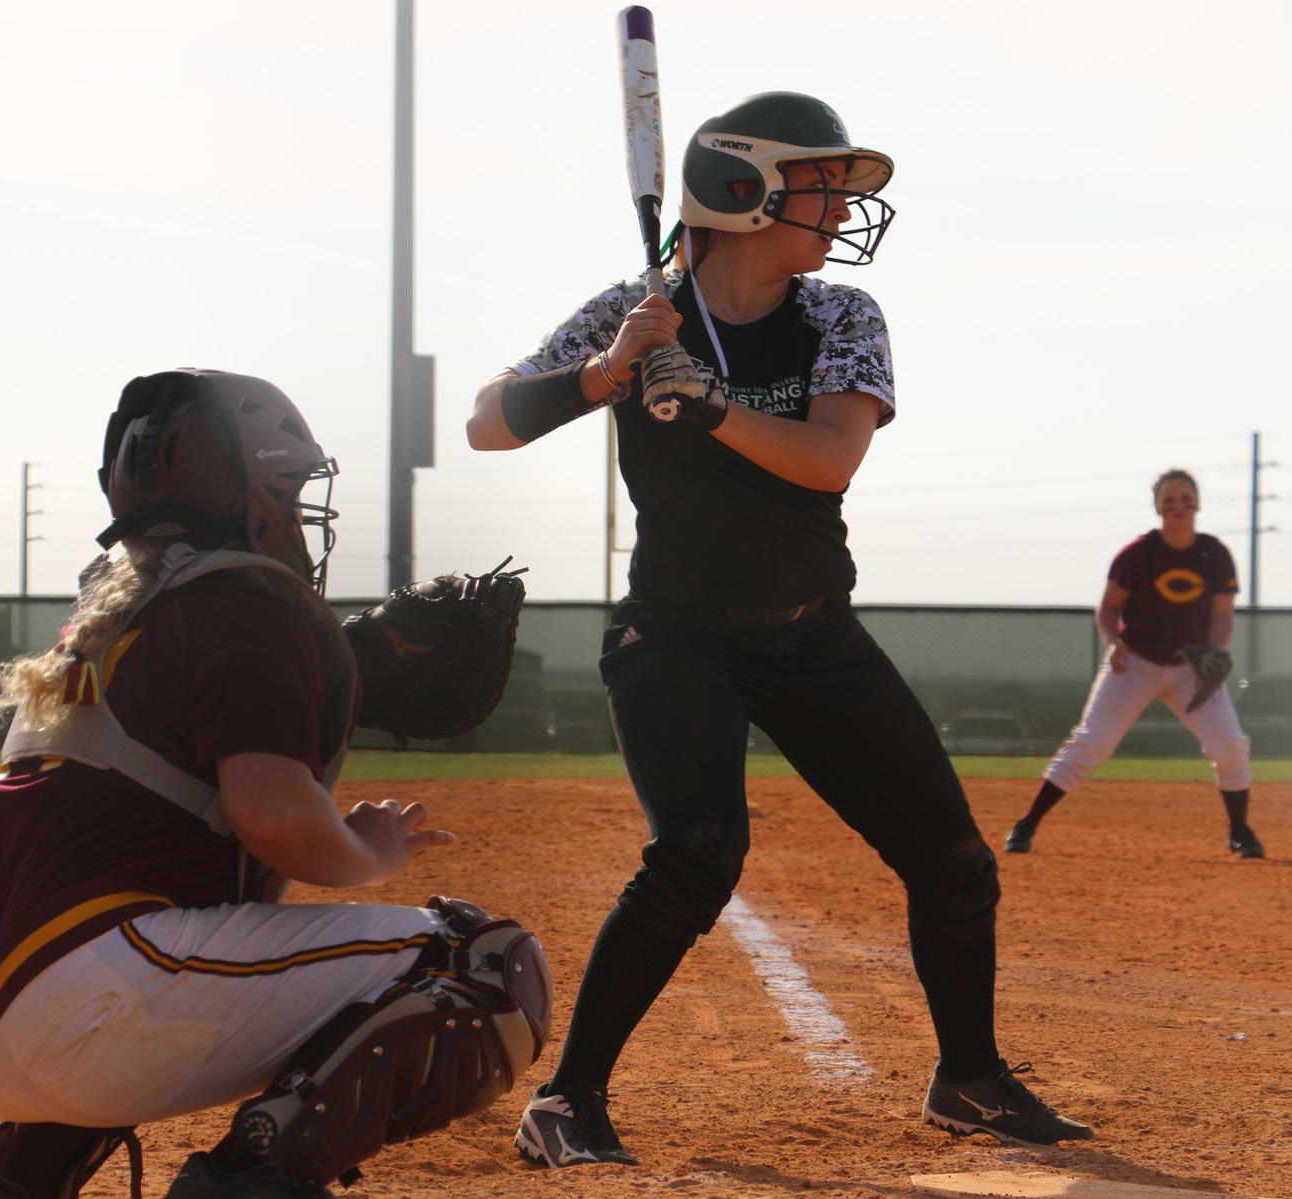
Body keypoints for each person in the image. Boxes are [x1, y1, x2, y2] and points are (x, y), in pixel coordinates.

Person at [466, 91, 1093, 1165]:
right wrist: (606, 372)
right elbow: (488, 422)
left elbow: (826, 458)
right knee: (696, 852)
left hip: (810, 634)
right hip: (673, 636)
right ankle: (568, 1098)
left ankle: (969, 1078)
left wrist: (706, 403)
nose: (841, 208)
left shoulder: (840, 316)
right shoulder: (633, 308)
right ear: (740, 188)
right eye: (821, 185)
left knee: (952, 862)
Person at [0, 369, 551, 1199]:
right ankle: (244, 1183)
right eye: (286, 490)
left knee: (153, 923)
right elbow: (272, 818)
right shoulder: (249, 602)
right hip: (78, 999)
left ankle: (22, 1178)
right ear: (242, 492)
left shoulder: (116, 602)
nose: (298, 514)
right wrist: (370, 849)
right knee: (483, 963)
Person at [1006, 470, 1261, 858]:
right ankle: (1026, 825)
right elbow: (1108, 608)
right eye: (1169, 499)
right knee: (1092, 743)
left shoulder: (1214, 554)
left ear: (1198, 503)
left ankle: (1240, 832)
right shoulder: (1140, 553)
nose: (1178, 505)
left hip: (1190, 669)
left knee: (1230, 744)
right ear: (1156, 506)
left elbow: (1222, 616)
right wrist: (1114, 643)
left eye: (1185, 497)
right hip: (1134, 663)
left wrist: (1213, 652)